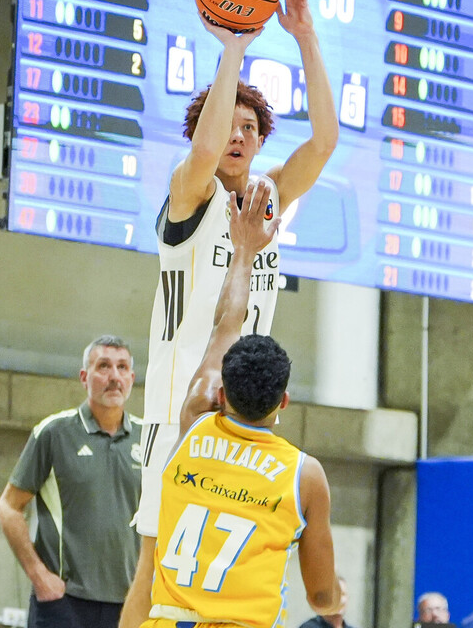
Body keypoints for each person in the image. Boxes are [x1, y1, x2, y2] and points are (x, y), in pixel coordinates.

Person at [125, 0, 340, 628]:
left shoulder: (269, 198)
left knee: (229, 574)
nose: (238, 136)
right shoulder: (190, 192)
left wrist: (305, 38)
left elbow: (324, 142)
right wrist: (234, 48)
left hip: (245, 408)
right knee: (153, 566)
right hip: (183, 405)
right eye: (229, 125)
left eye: (251, 127)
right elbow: (205, 148)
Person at [140, 181, 341, 628]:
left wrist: (244, 250)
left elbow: (226, 322)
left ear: (221, 393)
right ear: (283, 401)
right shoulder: (304, 475)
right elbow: (323, 599)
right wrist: (332, 593)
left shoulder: (195, 418)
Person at [0, 335, 143, 628]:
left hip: (129, 604)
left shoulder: (149, 438)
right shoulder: (53, 433)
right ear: (84, 377)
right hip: (64, 603)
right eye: (104, 366)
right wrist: (40, 576)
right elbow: (8, 509)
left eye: (122, 367)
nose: (114, 377)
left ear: (132, 378)